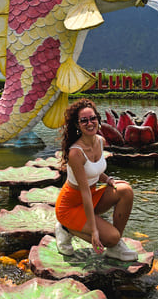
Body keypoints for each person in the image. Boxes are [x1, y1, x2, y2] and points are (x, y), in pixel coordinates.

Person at [54, 98, 138, 261]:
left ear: (98, 120)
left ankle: (115, 246)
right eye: (84, 120)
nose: (90, 123)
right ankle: (66, 228)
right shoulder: (76, 153)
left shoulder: (100, 141)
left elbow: (94, 170)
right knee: (109, 236)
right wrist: (94, 232)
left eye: (93, 118)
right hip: (70, 206)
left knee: (125, 190)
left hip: (91, 197)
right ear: (78, 125)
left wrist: (108, 180)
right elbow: (84, 192)